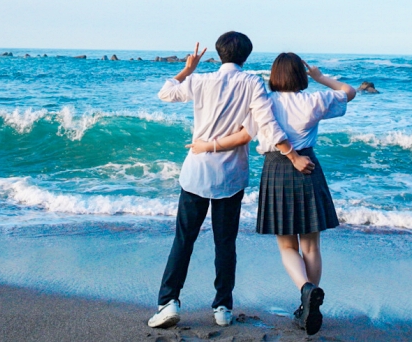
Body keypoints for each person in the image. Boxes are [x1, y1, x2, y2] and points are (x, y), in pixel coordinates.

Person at [147, 32, 315, 330]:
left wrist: (188, 68)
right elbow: (264, 124)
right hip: (230, 175)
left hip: (196, 171)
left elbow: (166, 92)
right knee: (225, 242)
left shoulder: (200, 81)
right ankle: (222, 306)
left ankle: (169, 302)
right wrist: (290, 153)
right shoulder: (252, 83)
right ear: (246, 56)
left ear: (220, 54)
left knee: (184, 239)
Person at [188, 52, 355, 335]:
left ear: (274, 76)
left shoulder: (264, 103)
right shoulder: (314, 100)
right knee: (311, 247)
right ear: (301, 77)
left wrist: (208, 145)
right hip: (308, 165)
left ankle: (305, 291)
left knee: (287, 247)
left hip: (277, 169)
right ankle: (309, 305)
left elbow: (242, 137)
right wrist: (320, 77)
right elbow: (348, 92)